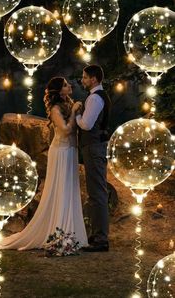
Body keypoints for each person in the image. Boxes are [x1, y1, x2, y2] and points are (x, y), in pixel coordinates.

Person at [0, 77, 88, 250]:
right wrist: (73, 112)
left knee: (70, 189)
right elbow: (64, 130)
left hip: (71, 151)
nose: (70, 86)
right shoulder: (55, 109)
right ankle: (59, 232)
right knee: (61, 190)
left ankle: (72, 233)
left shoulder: (68, 103)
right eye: (65, 85)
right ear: (58, 91)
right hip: (61, 152)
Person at [74, 65, 111, 252]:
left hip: (94, 147)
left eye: (85, 77)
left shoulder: (95, 98)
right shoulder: (98, 96)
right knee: (96, 192)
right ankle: (97, 234)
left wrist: (77, 115)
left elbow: (87, 125)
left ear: (94, 79)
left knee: (97, 193)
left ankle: (101, 239)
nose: (83, 80)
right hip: (96, 147)